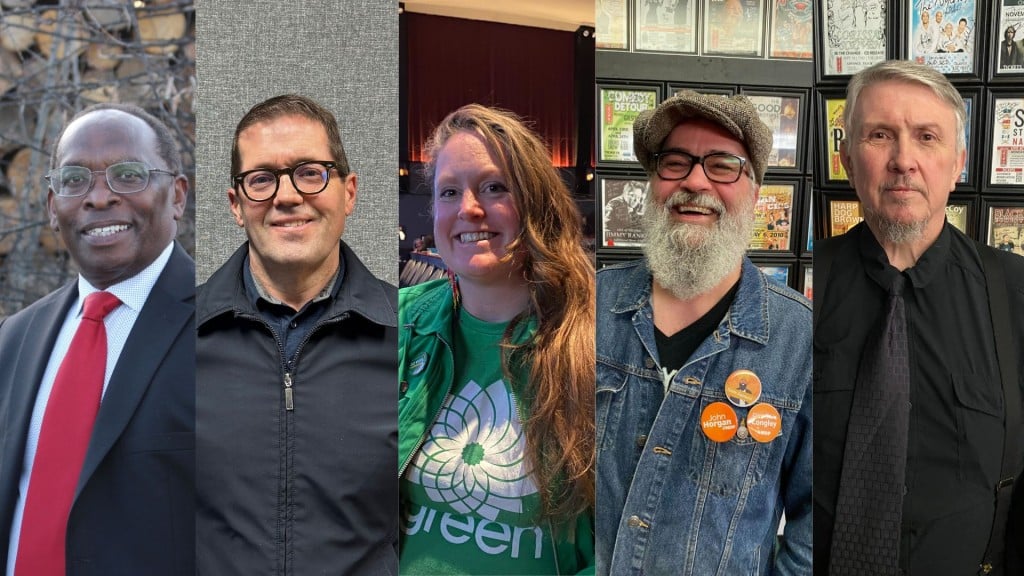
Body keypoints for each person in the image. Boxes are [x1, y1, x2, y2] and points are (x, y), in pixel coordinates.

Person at [814, 60, 1024, 575]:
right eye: (880, 135)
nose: (903, 160)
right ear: (846, 158)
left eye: (927, 137)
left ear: (958, 163)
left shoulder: (1017, 291)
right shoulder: (797, 290)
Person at [596, 90, 812, 574]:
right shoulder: (587, 307)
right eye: (675, 162)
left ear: (755, 192)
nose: (694, 180)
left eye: (722, 164)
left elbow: (817, 511)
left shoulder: (802, 339)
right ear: (653, 183)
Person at [196, 95, 398, 574]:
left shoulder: (412, 335)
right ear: (236, 205)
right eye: (262, 178)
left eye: (310, 172)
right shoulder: (173, 338)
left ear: (348, 192)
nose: (286, 197)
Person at [398, 104, 595, 574]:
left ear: (536, 204)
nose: (468, 208)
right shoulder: (400, 322)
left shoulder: (593, 341)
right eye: (449, 191)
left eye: (494, 187)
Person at [0, 103, 193, 575]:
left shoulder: (232, 328)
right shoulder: (16, 338)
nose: (99, 197)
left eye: (128, 175)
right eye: (73, 180)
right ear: (51, 207)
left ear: (177, 197)